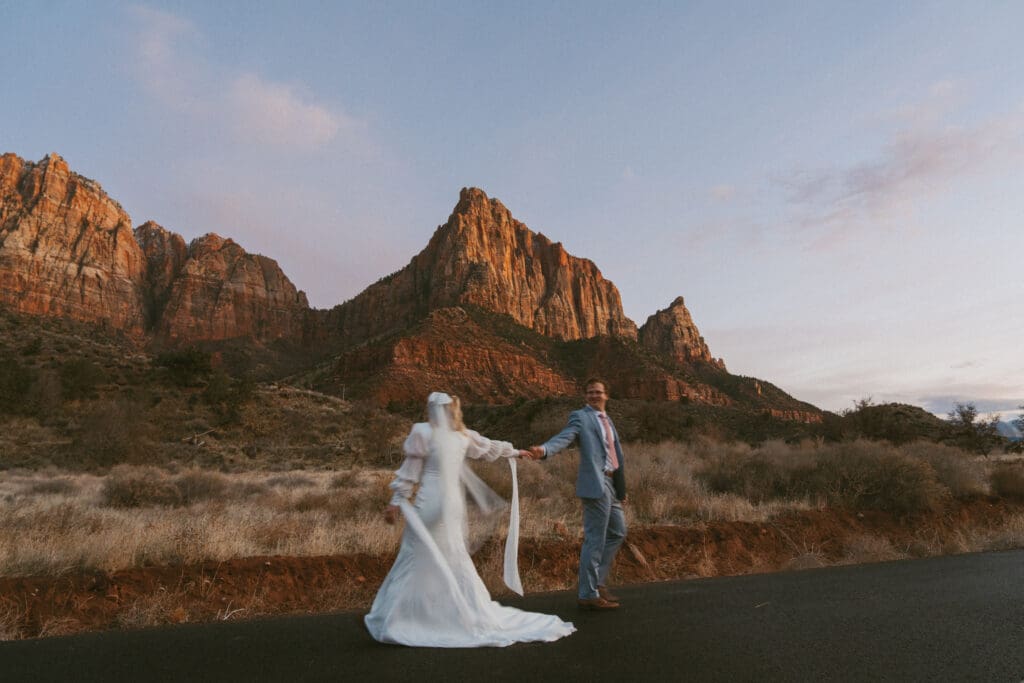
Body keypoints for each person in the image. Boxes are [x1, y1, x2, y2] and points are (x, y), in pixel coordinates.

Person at [364, 391, 575, 647]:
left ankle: (411, 615)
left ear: (432, 409)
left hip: (431, 500)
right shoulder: (463, 435)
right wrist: (516, 451)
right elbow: (490, 447)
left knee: (416, 553)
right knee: (452, 554)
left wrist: (396, 501)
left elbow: (410, 472)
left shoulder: (423, 431)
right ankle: (456, 610)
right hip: (453, 504)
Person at [529, 378, 627, 610]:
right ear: (585, 396)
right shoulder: (580, 417)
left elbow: (616, 456)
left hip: (612, 484)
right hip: (596, 483)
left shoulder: (608, 420)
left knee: (618, 532)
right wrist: (544, 449)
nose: (594, 395)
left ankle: (597, 583)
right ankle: (588, 593)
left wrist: (621, 489)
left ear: (606, 395)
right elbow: (565, 437)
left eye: (598, 392)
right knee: (595, 539)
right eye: (590, 392)